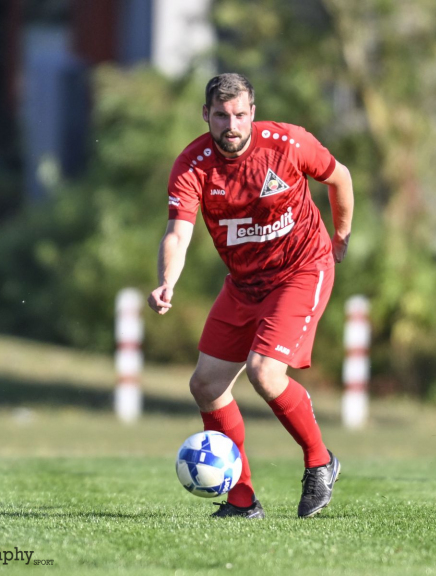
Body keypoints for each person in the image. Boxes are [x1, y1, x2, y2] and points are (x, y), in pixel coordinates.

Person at [148, 73, 354, 519]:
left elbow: (340, 177)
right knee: (205, 385)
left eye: (240, 114)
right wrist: (168, 280)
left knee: (264, 371)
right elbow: (178, 233)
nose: (231, 125)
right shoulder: (193, 165)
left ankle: (320, 461)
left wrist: (341, 235)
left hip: (301, 270)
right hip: (244, 284)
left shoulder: (288, 144)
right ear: (206, 115)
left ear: (252, 113)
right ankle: (242, 500)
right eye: (221, 115)